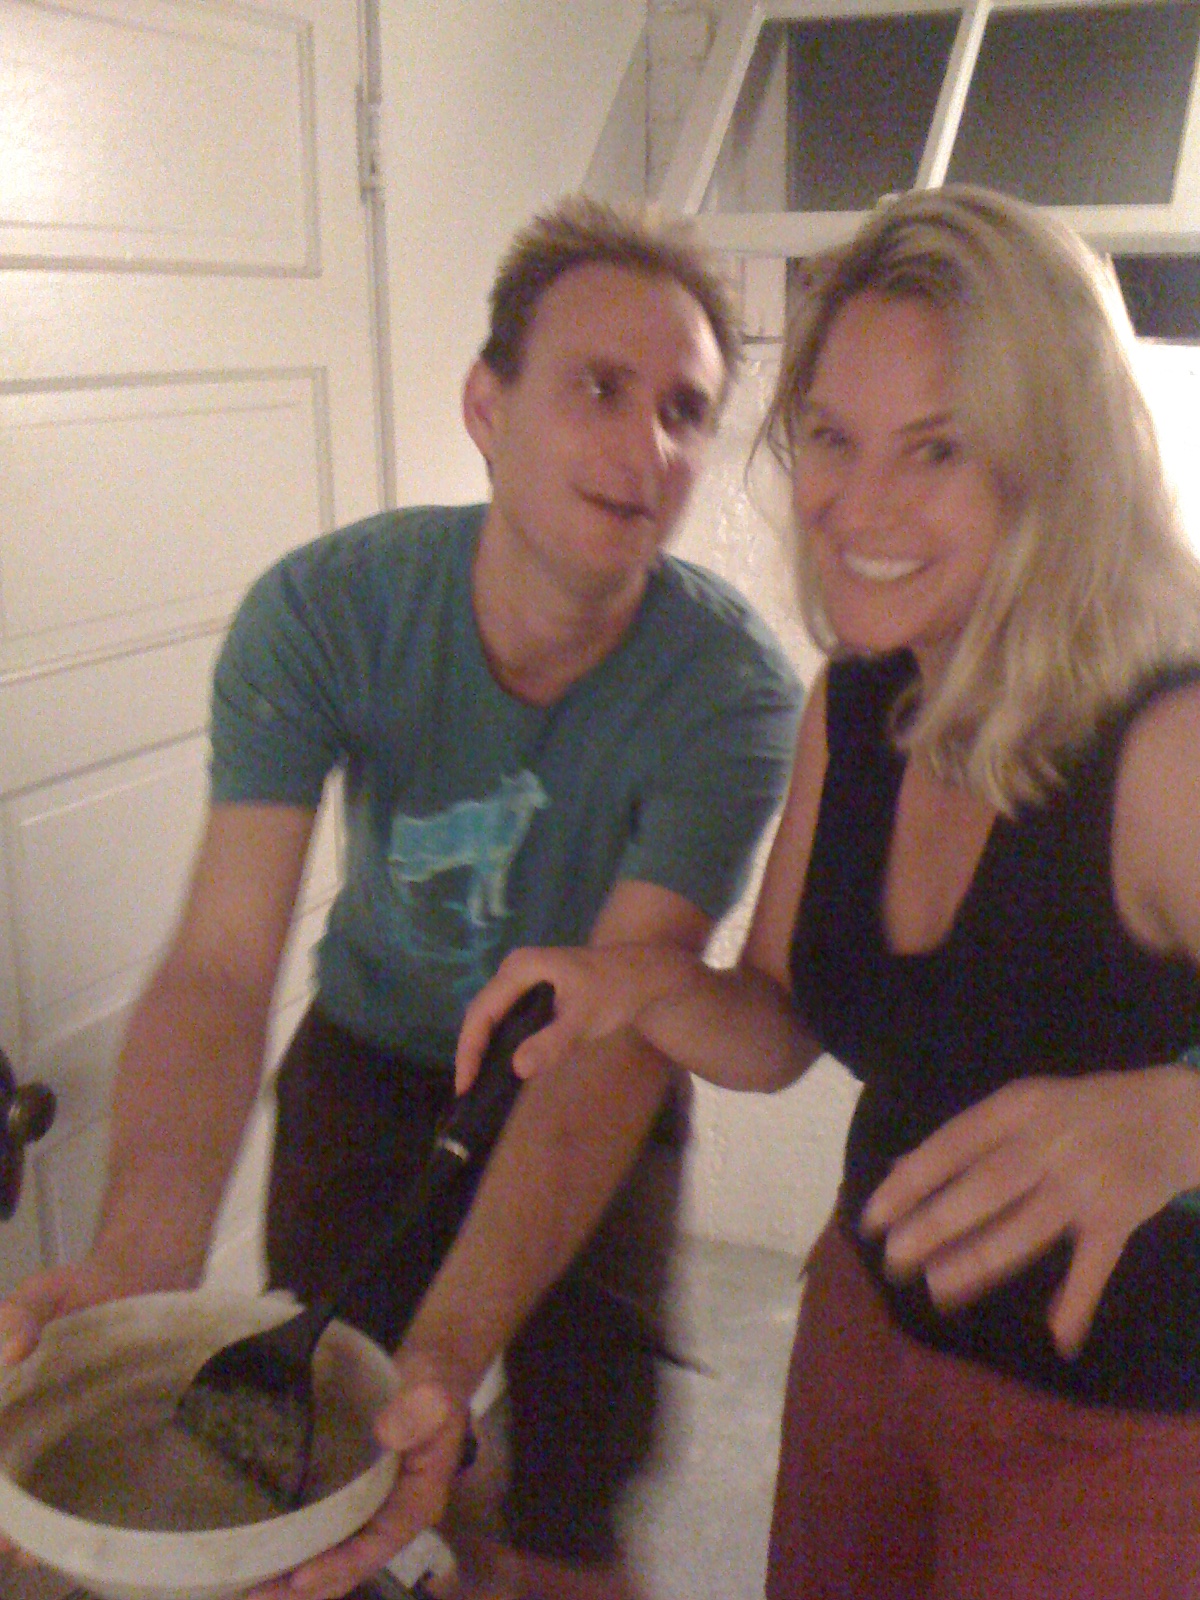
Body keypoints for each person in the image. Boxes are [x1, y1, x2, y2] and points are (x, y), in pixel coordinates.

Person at [0, 197, 802, 1600]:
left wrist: (444, 1351)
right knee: (346, 1479)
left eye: (684, 410)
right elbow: (222, 963)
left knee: (568, 1519)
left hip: (591, 1082)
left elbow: (619, 1018)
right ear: (487, 406)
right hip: (366, 1070)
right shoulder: (326, 614)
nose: (646, 449)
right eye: (598, 388)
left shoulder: (729, 693)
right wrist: (137, 1266)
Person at [457, 185, 1200, 1599]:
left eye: (939, 448)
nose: (857, 506)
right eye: (831, 437)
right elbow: (781, 1020)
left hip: (1121, 1428)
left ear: (1059, 462)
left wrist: (1181, 1118)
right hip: (867, 1331)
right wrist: (636, 987)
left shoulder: (1168, 740)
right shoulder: (857, 705)